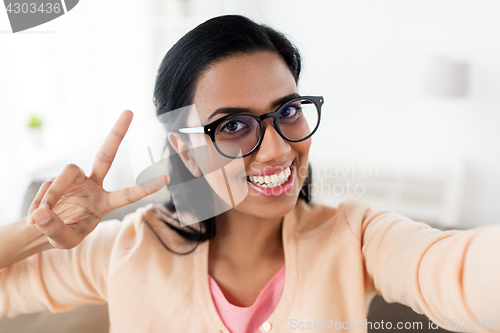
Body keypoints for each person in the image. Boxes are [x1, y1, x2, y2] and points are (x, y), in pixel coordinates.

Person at [1, 15, 499, 333]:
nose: (278, 149)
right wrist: (36, 232)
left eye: (288, 112)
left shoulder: (356, 237)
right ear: (187, 150)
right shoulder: (130, 251)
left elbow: (455, 272)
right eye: (234, 125)